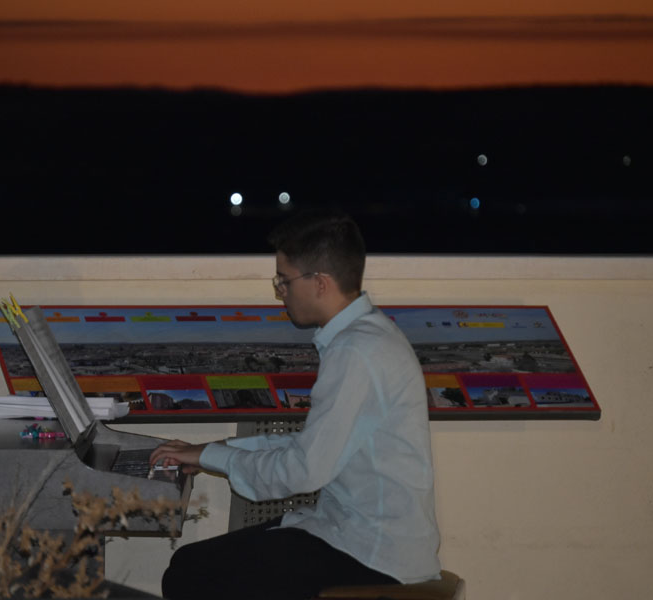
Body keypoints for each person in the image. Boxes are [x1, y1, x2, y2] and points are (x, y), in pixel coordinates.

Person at [150, 209, 441, 600]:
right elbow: (309, 446)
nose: (280, 292)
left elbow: (302, 471)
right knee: (193, 564)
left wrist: (212, 456)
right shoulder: (367, 336)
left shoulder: (356, 352)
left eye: (284, 281)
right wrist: (209, 453)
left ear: (319, 283)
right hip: (354, 533)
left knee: (190, 573)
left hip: (375, 553)